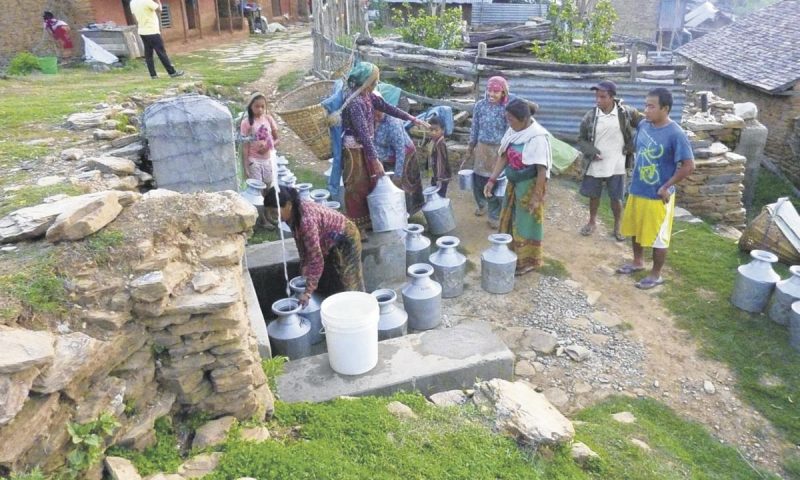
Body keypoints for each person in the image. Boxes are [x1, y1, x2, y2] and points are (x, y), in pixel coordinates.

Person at [616, 87, 695, 290]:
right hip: (638, 189)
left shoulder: (676, 134)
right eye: (646, 105)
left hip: (659, 196)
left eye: (651, 106)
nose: (646, 110)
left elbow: (689, 165)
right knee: (635, 228)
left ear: (665, 109)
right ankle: (637, 262)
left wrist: (666, 186)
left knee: (659, 237)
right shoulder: (644, 125)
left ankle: (656, 274)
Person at [339, 62, 429, 233]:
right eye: (373, 82)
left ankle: (371, 221)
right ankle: (357, 228)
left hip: (365, 148)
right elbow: (364, 135)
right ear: (365, 82)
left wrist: (412, 118)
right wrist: (376, 161)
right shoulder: (355, 101)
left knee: (371, 184)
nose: (374, 86)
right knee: (357, 186)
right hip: (355, 150)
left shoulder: (367, 96)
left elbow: (387, 107)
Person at [264, 186, 365, 303]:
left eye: (275, 212)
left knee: (350, 279)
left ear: (288, 204)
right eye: (270, 213)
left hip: (346, 237)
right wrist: (304, 264)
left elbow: (316, 260)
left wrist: (307, 293)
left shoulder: (306, 222)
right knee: (335, 274)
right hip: (330, 239)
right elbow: (300, 241)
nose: (274, 217)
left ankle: (359, 306)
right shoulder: (293, 213)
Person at [484, 99, 551, 276]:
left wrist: (537, 197)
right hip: (513, 184)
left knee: (525, 223)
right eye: (507, 118)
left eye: (511, 119)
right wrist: (491, 180)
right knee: (510, 218)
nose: (508, 122)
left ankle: (527, 261)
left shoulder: (537, 137)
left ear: (523, 119)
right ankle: (510, 254)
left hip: (530, 187)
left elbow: (542, 170)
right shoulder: (513, 131)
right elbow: (503, 156)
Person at [578, 80, 643, 241]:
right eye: (597, 97)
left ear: (612, 97)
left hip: (618, 164)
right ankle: (592, 221)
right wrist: (592, 152)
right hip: (596, 163)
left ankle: (617, 225)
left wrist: (632, 145)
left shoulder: (626, 113)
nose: (598, 100)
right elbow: (581, 139)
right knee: (594, 195)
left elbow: (644, 125)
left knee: (616, 197)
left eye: (602, 97)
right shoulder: (591, 116)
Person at [468, 76, 512, 228]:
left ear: (503, 93)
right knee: (478, 179)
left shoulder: (506, 108)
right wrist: (471, 146)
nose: (491, 94)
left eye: (496, 91)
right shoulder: (480, 106)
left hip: (498, 150)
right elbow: (475, 127)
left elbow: (509, 131)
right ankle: (482, 204)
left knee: (495, 182)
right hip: (481, 148)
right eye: (489, 90)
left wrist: (505, 151)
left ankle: (494, 214)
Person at [373, 109, 425, 215]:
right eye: (372, 112)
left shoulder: (393, 123)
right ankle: (395, 213)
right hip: (386, 158)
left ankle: (407, 216)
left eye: (378, 112)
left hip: (404, 156)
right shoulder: (371, 120)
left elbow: (400, 151)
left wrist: (398, 176)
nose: (375, 115)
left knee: (403, 187)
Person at [129, 0, 184, 80]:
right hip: (152, 31)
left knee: (148, 54)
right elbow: (160, 9)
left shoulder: (132, 2)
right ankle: (172, 72)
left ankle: (153, 75)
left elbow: (134, 18)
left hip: (142, 31)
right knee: (161, 52)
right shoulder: (147, 1)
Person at [241, 92, 279, 184]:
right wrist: (246, 167)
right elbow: (245, 147)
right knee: (257, 187)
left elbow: (277, 139)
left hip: (267, 159)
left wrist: (268, 146)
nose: (260, 109)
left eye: (262, 106)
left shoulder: (268, 119)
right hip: (254, 160)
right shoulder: (247, 123)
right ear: (251, 106)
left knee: (268, 185)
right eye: (257, 106)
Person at [428, 116, 452, 198]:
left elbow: (440, 162)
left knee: (439, 197)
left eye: (436, 130)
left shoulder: (440, 144)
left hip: (441, 177)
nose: (433, 132)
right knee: (435, 196)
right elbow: (430, 158)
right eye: (431, 130)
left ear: (442, 130)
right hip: (435, 175)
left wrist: (439, 179)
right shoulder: (433, 141)